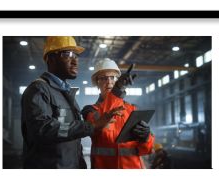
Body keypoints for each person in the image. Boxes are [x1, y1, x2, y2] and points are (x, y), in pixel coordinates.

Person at [21, 37, 121, 169]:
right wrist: (91, 126)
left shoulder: (66, 94)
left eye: (76, 55)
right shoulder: (39, 89)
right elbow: (43, 130)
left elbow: (71, 138)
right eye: (67, 54)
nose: (75, 61)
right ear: (51, 59)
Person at [81, 58, 156, 169]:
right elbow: (101, 119)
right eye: (103, 78)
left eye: (113, 77)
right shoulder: (90, 111)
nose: (109, 81)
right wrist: (117, 90)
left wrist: (146, 138)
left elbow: (146, 150)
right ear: (97, 82)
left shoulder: (133, 110)